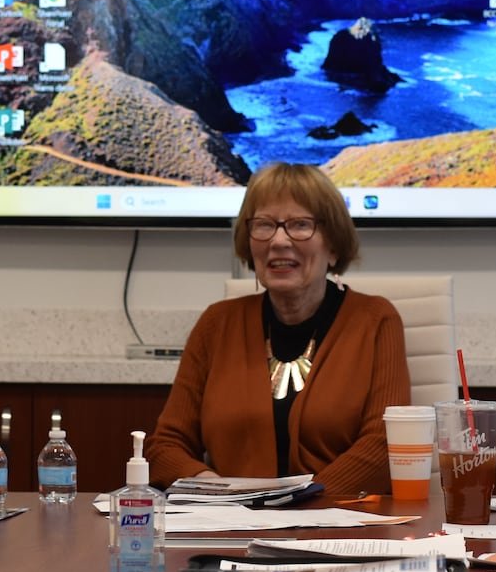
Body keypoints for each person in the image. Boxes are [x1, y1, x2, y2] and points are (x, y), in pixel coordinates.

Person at [146, 162, 411, 495]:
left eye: (300, 225)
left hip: (334, 519)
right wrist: (216, 490)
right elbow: (165, 446)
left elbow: (384, 445)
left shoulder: (375, 320)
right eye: (264, 225)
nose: (279, 240)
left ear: (333, 245)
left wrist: (299, 501)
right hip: (230, 517)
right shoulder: (217, 324)